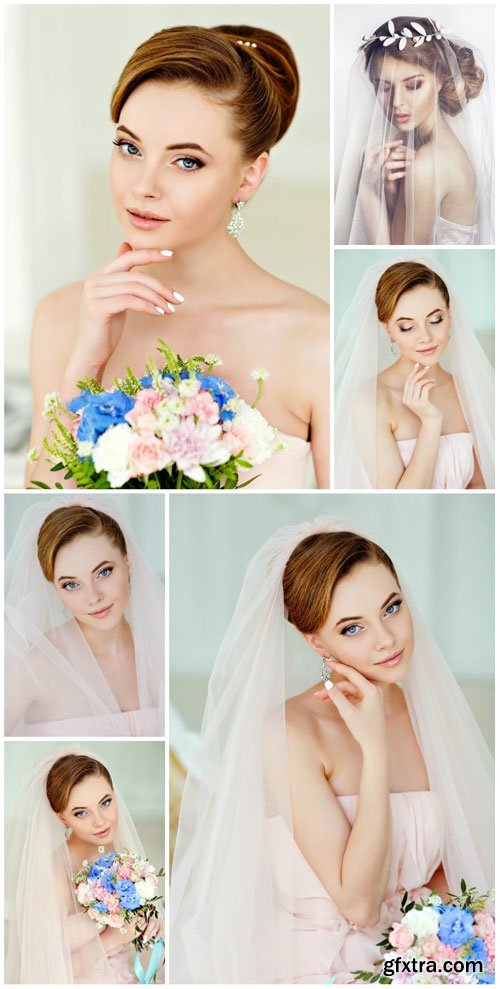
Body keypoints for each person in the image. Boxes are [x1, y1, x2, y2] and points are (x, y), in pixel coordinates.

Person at [170, 518, 493, 983]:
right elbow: (359, 904)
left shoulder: (427, 710)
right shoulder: (289, 731)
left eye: (392, 607)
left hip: (415, 963)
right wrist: (375, 749)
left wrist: (440, 954)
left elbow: (454, 867)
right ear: (315, 640)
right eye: (352, 628)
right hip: (319, 967)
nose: (386, 638)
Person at [26, 24, 329, 490]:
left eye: (186, 161)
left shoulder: (315, 339)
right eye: (129, 148)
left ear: (249, 176)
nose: (143, 186)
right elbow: (44, 509)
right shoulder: (61, 319)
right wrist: (86, 363)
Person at [5, 496, 164, 735]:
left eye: (104, 572)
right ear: (56, 590)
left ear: (127, 564)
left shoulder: (159, 649)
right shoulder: (33, 664)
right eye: (71, 585)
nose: (93, 597)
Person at [5, 748, 164, 984]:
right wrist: (112, 938)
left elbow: (132, 917)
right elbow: (44, 972)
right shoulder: (54, 874)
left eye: (105, 802)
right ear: (62, 818)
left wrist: (147, 921)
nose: (100, 821)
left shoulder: (114, 851)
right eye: (81, 813)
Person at [335, 15, 494, 245]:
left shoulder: (426, 164)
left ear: (439, 79)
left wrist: (368, 189)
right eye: (384, 87)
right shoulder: (427, 149)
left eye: (413, 85)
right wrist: (390, 197)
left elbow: (397, 262)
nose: (397, 101)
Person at [335, 259, 494, 489]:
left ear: (449, 315)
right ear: (388, 329)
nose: (425, 337)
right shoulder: (371, 399)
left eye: (435, 320)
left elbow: (480, 484)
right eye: (407, 327)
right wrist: (430, 422)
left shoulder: (471, 392)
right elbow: (394, 501)